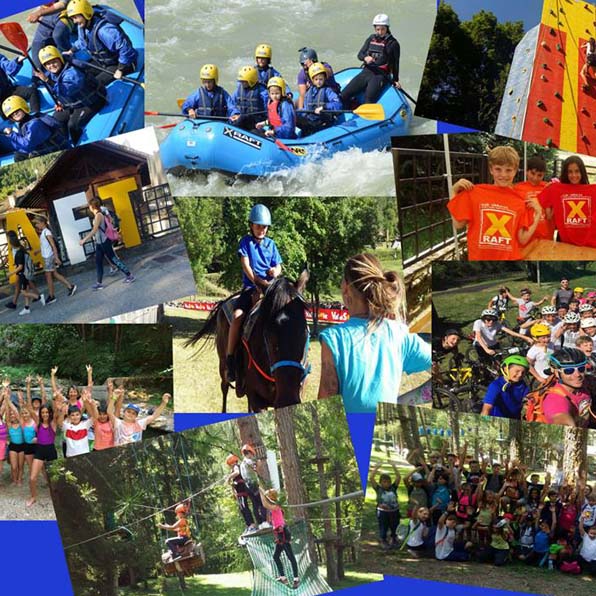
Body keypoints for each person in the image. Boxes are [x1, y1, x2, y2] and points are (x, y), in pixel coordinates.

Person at [318, 253, 431, 413]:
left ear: (345, 288)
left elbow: (326, 405)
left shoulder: (334, 338)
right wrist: (405, 401)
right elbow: (438, 366)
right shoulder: (400, 333)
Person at [448, 146, 542, 260]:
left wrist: (538, 214)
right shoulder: (475, 193)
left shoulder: (520, 200)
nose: (503, 175)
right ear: (491, 169)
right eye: (498, 169)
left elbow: (522, 239)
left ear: (515, 171)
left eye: (508, 170)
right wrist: (453, 191)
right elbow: (458, 224)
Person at [225, 204, 282, 383]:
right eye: (258, 226)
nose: (262, 229)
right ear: (251, 226)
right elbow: (246, 265)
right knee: (237, 316)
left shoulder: (272, 244)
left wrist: (275, 271)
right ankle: (230, 358)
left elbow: (279, 265)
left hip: (270, 289)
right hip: (252, 287)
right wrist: (256, 281)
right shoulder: (245, 242)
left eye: (264, 226)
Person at [36, 45, 107, 144]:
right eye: (47, 64)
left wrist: (47, 81)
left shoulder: (72, 72)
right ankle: (65, 143)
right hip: (74, 103)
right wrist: (60, 102)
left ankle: (77, 144)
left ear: (60, 60)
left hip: (91, 102)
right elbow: (60, 93)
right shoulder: (53, 74)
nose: (51, 66)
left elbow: (66, 90)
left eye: (54, 62)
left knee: (72, 125)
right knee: (57, 119)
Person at [65, 0, 138, 86]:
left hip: (121, 64)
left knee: (94, 85)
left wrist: (120, 69)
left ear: (86, 14)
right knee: (83, 73)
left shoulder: (104, 30)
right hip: (104, 63)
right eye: (72, 18)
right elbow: (82, 41)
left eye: (75, 17)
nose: (74, 21)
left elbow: (125, 49)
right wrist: (71, 51)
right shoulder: (82, 26)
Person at [341, 14, 401, 106]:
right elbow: (360, 55)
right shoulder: (371, 38)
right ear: (375, 29)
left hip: (380, 74)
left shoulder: (393, 44)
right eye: (377, 29)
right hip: (367, 71)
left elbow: (395, 63)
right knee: (343, 95)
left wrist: (396, 79)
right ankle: (352, 104)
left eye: (383, 29)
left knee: (368, 101)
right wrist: (365, 57)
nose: (380, 32)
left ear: (387, 28)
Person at [539, 155, 596, 248]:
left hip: (586, 243)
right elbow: (549, 215)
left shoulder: (592, 191)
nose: (574, 175)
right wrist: (549, 191)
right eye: (570, 172)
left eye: (577, 171)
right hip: (564, 241)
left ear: (582, 172)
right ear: (565, 173)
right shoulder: (557, 189)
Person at [78, 197, 134, 289]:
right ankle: (99, 283)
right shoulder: (99, 214)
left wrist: (84, 240)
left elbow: (95, 229)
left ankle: (129, 275)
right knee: (98, 262)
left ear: (92, 206)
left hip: (104, 242)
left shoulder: (98, 215)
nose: (89, 208)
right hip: (100, 243)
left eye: (90, 206)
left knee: (114, 260)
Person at [1, 95, 68, 161]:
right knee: (18, 154)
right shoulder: (24, 122)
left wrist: (11, 134)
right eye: (12, 114)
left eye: (16, 111)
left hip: (56, 151)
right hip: (44, 149)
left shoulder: (35, 123)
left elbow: (27, 145)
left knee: (18, 156)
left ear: (23, 107)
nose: (15, 114)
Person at [258, 486, 300, 589]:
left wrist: (260, 492)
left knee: (290, 556)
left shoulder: (276, 506)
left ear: (271, 497)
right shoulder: (274, 505)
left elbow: (264, 503)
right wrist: (258, 485)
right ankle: (283, 577)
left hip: (283, 533)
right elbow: (266, 498)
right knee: (276, 556)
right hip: (279, 533)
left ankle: (296, 579)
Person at [542, 348, 592, 427]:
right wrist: (566, 426)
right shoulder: (555, 399)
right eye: (569, 371)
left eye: (581, 369)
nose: (578, 374)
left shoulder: (586, 383)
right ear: (556, 372)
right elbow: (560, 418)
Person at [33, 215, 77, 303]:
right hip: (48, 256)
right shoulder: (45, 232)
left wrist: (56, 257)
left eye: (37, 223)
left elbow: (53, 245)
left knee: (49, 277)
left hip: (48, 257)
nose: (36, 225)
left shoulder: (46, 232)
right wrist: (38, 251)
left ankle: (52, 296)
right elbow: (46, 245)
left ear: (42, 223)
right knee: (55, 274)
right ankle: (70, 286)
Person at [26, 399, 59, 507]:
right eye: (43, 412)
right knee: (32, 477)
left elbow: (57, 412)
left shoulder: (53, 423)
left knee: (54, 477)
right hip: (40, 450)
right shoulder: (38, 423)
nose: (45, 414)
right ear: (40, 414)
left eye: (46, 412)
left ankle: (56, 495)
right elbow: (30, 410)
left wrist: (55, 399)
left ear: (50, 413)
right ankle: (33, 497)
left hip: (51, 451)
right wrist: (28, 386)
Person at [513, 155, 553, 240]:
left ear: (544, 175)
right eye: (532, 173)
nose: (535, 178)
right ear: (527, 171)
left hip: (545, 238)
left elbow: (550, 215)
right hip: (525, 237)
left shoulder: (548, 188)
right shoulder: (517, 188)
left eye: (539, 175)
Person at [295, 62, 342, 136]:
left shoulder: (327, 91)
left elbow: (338, 105)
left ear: (324, 78)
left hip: (323, 121)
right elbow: (306, 108)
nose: (319, 82)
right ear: (312, 80)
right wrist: (298, 112)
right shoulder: (309, 92)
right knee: (294, 116)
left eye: (321, 79)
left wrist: (324, 107)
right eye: (316, 79)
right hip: (312, 120)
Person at [6, 230, 45, 316]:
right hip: (25, 273)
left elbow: (20, 266)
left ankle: (38, 297)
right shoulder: (21, 250)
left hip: (22, 274)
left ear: (12, 243)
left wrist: (11, 273)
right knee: (25, 290)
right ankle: (27, 308)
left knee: (24, 292)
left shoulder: (18, 253)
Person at [480, 355, 530, 419]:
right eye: (517, 371)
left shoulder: (522, 385)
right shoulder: (496, 385)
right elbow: (487, 407)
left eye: (523, 372)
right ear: (505, 369)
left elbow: (526, 400)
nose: (520, 375)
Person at [28, 2, 75, 70]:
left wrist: (39, 13)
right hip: (48, 15)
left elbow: (62, 4)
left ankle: (69, 64)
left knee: (58, 36)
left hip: (68, 11)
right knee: (37, 44)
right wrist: (40, 12)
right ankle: (37, 77)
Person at [369, 462, 401, 548]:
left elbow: (398, 477)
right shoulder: (378, 489)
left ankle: (394, 539)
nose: (386, 484)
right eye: (384, 482)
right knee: (383, 526)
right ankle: (383, 540)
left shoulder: (393, 488)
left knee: (394, 525)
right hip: (383, 512)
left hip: (394, 511)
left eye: (388, 482)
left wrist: (394, 466)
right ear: (380, 482)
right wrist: (377, 467)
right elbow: (371, 478)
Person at [226, 453, 259, 532]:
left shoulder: (236, 466)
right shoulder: (235, 467)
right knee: (242, 508)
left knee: (244, 507)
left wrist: (229, 477)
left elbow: (237, 473)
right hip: (239, 492)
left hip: (242, 490)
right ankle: (248, 525)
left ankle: (252, 524)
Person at [0, 53, 40, 117]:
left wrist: (18, 60)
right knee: (4, 116)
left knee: (32, 91)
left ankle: (36, 116)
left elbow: (9, 69)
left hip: (8, 90)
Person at [230, 65, 268, 131]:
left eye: (244, 81)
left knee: (243, 118)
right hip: (242, 119)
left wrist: (265, 123)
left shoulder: (262, 92)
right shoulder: (238, 91)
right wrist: (235, 114)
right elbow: (232, 104)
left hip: (257, 121)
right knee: (240, 118)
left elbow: (268, 108)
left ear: (251, 80)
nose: (242, 83)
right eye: (241, 81)